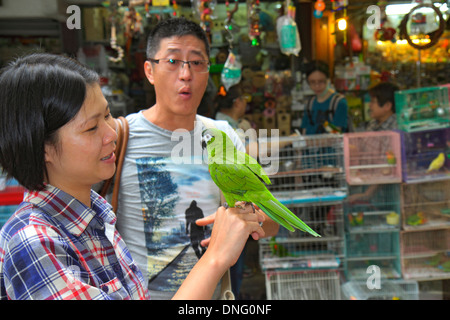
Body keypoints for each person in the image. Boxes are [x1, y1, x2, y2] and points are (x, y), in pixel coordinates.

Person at [0, 53, 265, 300]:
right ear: (43, 147)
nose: (111, 134)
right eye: (92, 127)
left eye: (107, 116)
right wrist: (215, 257)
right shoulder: (34, 243)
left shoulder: (98, 215)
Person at [115, 17, 279, 299]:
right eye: (172, 61)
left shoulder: (224, 135)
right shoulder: (119, 137)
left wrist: (245, 217)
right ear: (149, 71)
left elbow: (272, 223)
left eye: (197, 63)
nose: (186, 74)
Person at [348, 81, 400, 203]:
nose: (369, 106)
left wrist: (366, 194)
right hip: (369, 185)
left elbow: (388, 167)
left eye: (373, 102)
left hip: (386, 193)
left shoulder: (394, 129)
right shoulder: (374, 123)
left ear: (387, 106)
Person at [300, 60, 348, 135]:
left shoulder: (339, 103)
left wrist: (325, 125)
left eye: (321, 81)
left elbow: (336, 135)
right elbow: (304, 132)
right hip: (311, 146)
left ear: (328, 80)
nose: (317, 86)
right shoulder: (309, 104)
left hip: (333, 146)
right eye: (312, 82)